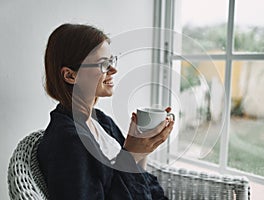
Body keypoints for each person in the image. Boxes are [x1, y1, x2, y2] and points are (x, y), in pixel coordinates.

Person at [37, 23, 174, 200]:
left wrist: (142, 148)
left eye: (111, 61)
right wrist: (131, 154)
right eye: (103, 64)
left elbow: (133, 179)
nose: (113, 70)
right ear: (71, 76)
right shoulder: (67, 142)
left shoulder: (101, 121)